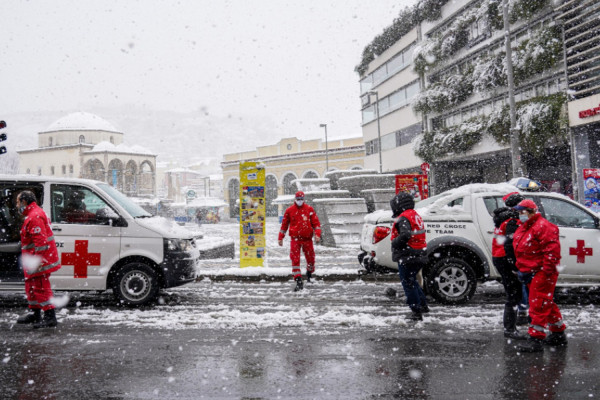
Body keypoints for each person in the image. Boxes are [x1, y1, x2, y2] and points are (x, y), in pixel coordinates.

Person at [512, 199, 567, 352]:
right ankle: (558, 333)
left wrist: (547, 270)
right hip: (533, 271)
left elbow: (552, 251)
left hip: (542, 271)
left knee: (538, 304)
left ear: (531, 212)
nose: (520, 215)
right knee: (545, 301)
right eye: (519, 212)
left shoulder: (542, 227)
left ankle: (536, 338)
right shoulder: (526, 226)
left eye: (522, 212)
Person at [16, 190, 62, 329]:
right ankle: (35, 314)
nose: (17, 205)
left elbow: (41, 243)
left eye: (18, 202)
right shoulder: (32, 214)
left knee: (41, 287)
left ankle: (50, 317)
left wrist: (38, 262)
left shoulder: (34, 216)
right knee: (31, 287)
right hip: (33, 259)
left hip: (38, 260)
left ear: (24, 202)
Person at [492, 192, 526, 339]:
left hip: (499, 257)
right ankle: (510, 329)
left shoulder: (504, 218)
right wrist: (513, 265)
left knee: (513, 293)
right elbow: (510, 244)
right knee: (513, 294)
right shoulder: (512, 220)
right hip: (505, 259)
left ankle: (511, 326)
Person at [390, 192, 428, 321]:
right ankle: (423, 305)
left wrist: (394, 242)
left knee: (408, 282)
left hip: (408, 254)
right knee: (413, 280)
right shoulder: (415, 215)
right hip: (419, 252)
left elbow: (405, 235)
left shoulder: (403, 217)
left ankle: (416, 310)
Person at [278, 191, 321, 291]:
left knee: (311, 258)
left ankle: (309, 273)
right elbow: (284, 226)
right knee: (295, 259)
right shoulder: (289, 210)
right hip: (295, 239)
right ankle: (298, 280)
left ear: (304, 199)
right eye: (298, 199)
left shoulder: (309, 209)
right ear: (295, 199)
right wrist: (281, 237)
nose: (300, 201)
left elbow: (316, 224)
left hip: (307, 239)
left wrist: (317, 235)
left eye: (301, 199)